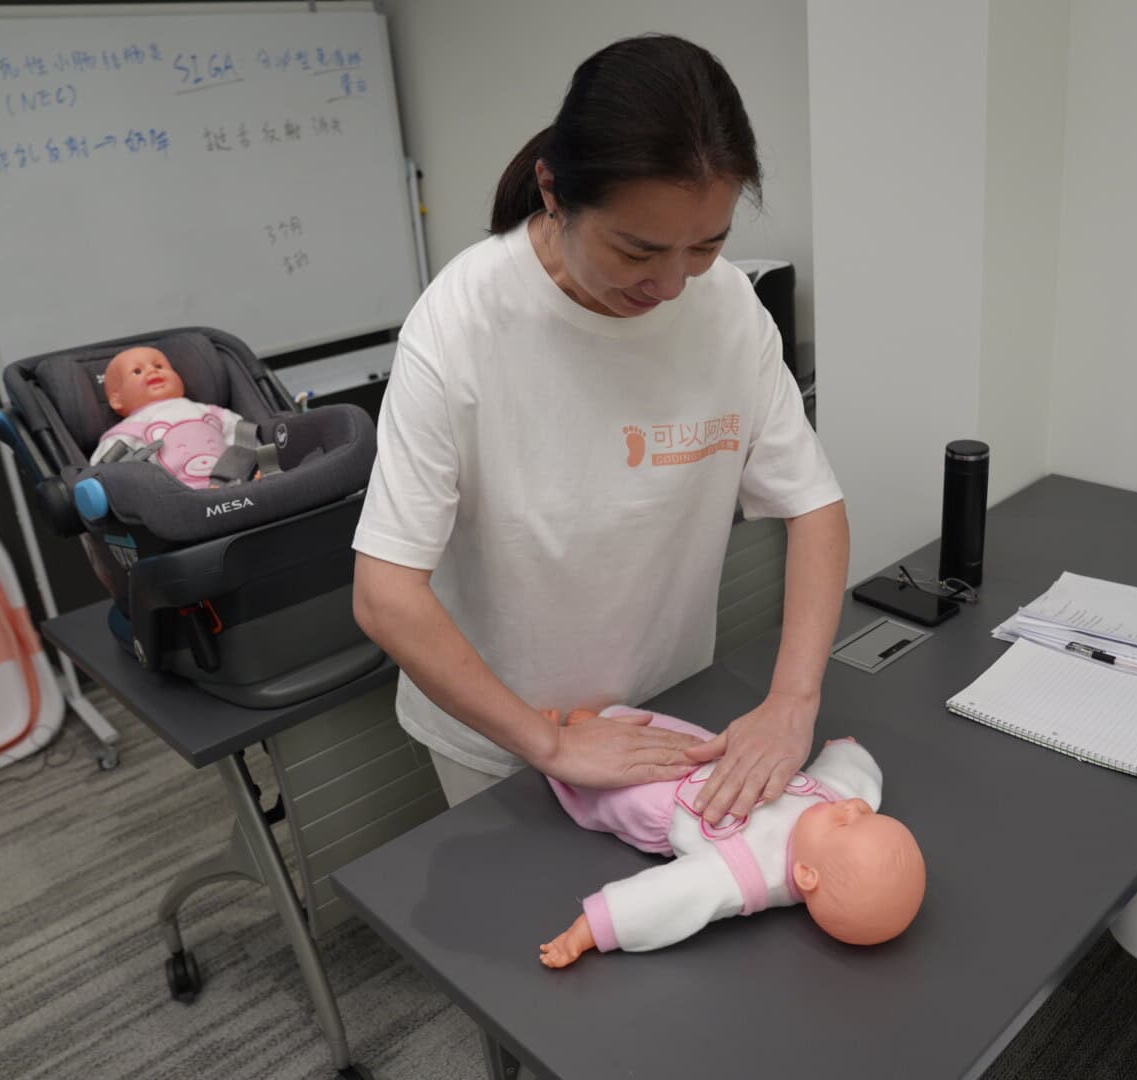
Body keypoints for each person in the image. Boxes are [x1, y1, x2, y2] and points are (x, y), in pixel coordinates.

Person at [351, 34, 848, 824]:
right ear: (553, 191)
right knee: (524, 938)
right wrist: (546, 746)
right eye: (637, 250)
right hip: (503, 736)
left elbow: (814, 506)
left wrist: (794, 699)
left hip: (665, 715)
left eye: (709, 244)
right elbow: (384, 595)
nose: (673, 283)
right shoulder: (460, 323)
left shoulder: (726, 309)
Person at [536, 708, 925, 967]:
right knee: (670, 735)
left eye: (847, 822)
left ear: (807, 875)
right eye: (866, 815)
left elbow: (667, 898)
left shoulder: (746, 874)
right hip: (717, 758)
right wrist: (845, 750)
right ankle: (601, 721)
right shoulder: (838, 803)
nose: (853, 808)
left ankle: (554, 741)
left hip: (666, 801)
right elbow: (856, 780)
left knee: (608, 785)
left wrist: (592, 929)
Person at [91, 346, 248, 489]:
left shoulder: (211, 412)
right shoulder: (126, 432)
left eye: (159, 366)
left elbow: (244, 437)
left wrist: (254, 466)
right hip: (173, 498)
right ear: (116, 400)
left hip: (235, 486)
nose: (153, 371)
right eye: (137, 371)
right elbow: (104, 471)